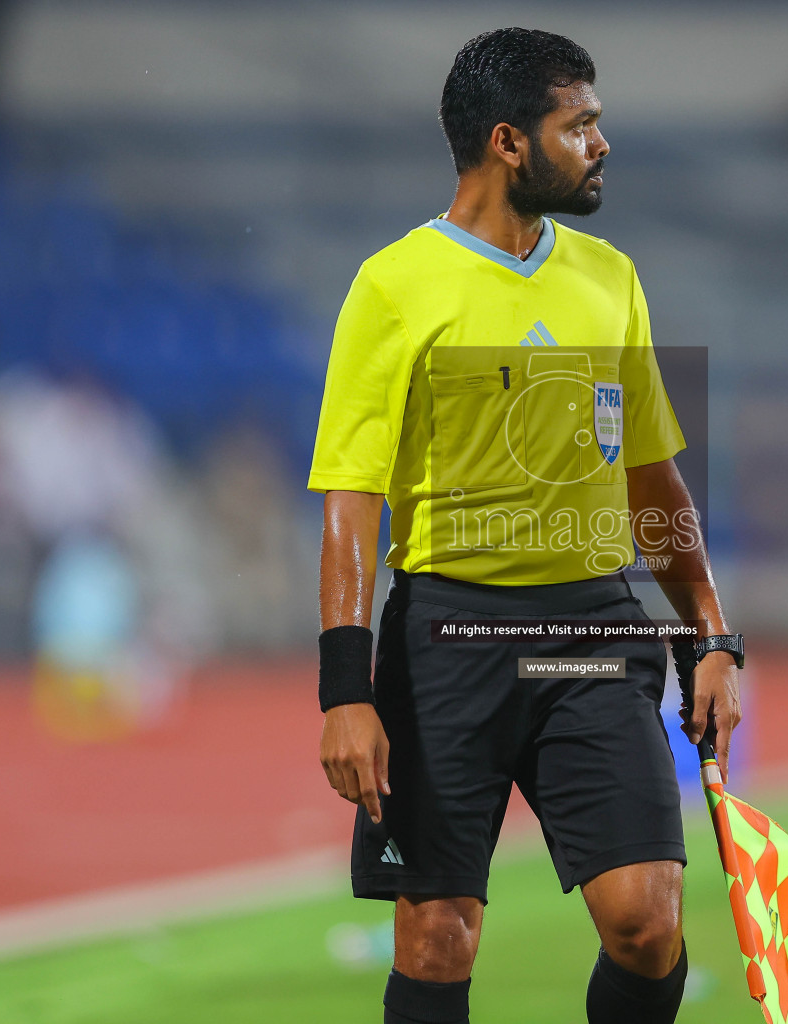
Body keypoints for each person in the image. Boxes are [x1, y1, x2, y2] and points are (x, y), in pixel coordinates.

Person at [308, 29, 742, 1024]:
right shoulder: (393, 286)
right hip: (445, 639)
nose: (600, 142)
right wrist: (344, 691)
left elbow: (652, 477)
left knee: (648, 920)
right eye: (578, 125)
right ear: (509, 141)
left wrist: (710, 632)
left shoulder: (609, 277)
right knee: (437, 934)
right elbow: (351, 502)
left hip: (593, 630)